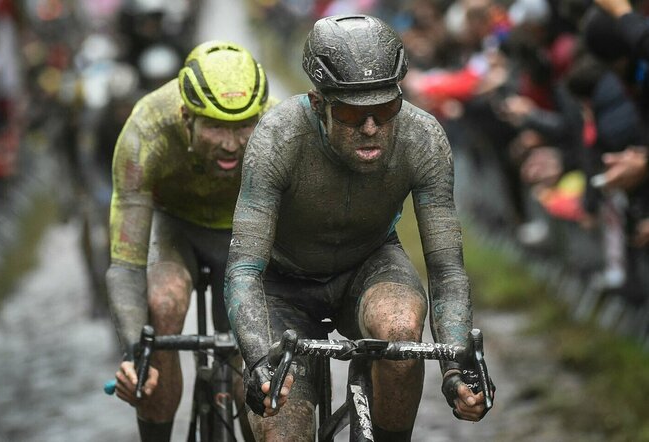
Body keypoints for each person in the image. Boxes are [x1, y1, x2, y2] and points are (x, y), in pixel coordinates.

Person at [224, 14, 493, 442]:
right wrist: (258, 359)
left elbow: (446, 269)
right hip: (282, 283)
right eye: (351, 113)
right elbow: (243, 270)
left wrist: (458, 367)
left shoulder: (423, 139)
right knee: (283, 431)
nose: (371, 129)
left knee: (402, 332)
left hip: (369, 265)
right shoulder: (276, 139)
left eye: (386, 110)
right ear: (318, 104)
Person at [106, 40, 276, 442]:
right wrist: (135, 351)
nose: (231, 144)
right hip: (175, 225)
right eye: (216, 126)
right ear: (186, 116)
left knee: (249, 343)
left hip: (245, 227)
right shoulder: (146, 130)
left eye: (242, 127)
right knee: (164, 304)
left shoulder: (277, 126)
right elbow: (126, 262)